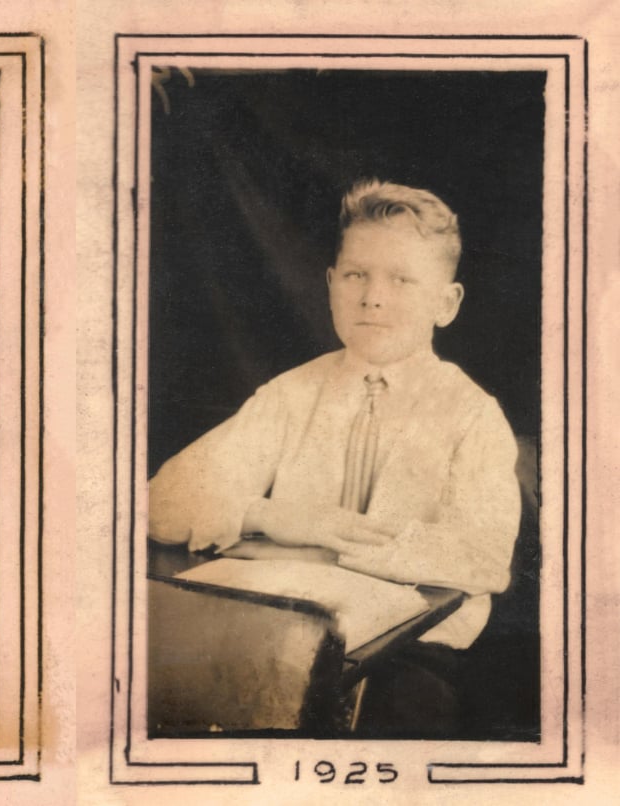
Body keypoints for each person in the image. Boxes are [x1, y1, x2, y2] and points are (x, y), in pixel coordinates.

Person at [148, 179, 521, 735]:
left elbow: (483, 556)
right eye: (355, 275)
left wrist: (328, 546)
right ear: (329, 284)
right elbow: (163, 501)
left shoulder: (471, 414)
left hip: (411, 654)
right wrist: (273, 517)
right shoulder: (291, 394)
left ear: (446, 303)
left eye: (401, 279)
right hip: (276, 634)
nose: (373, 296)